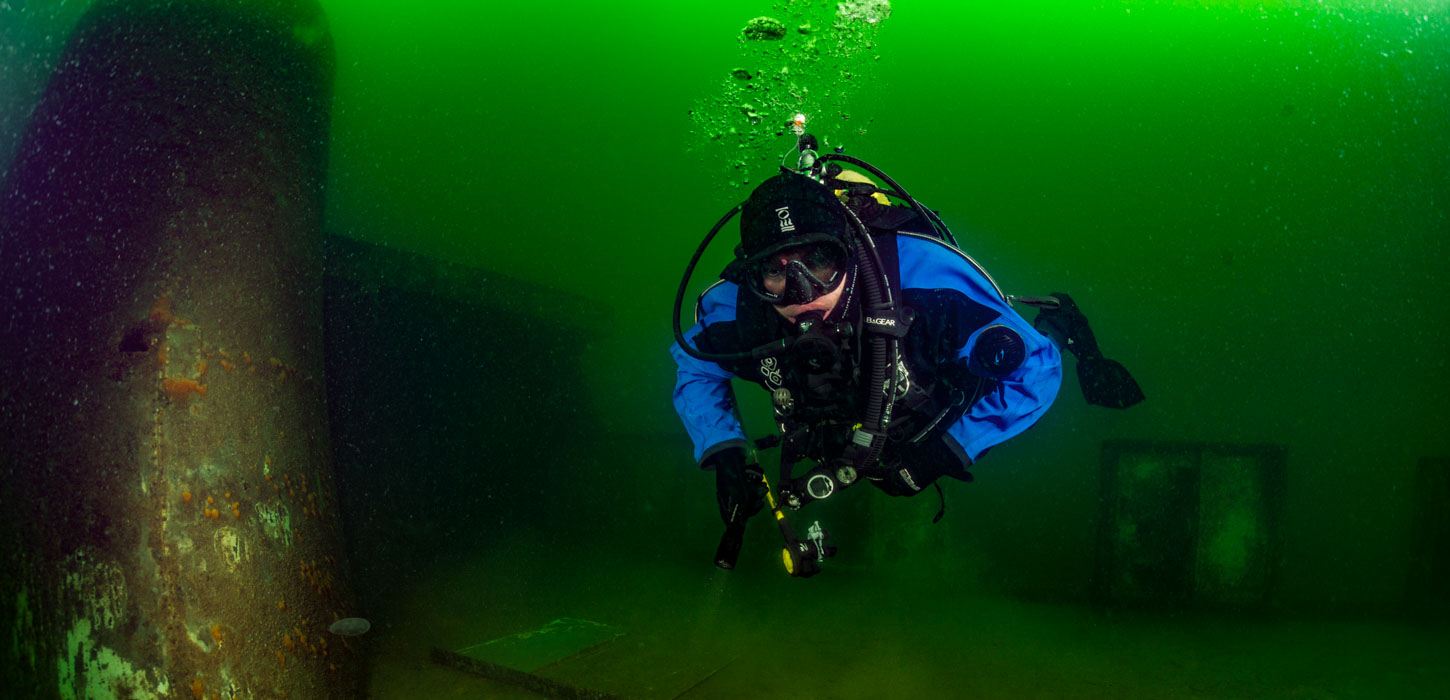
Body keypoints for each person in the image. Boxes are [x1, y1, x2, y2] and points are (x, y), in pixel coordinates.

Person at [671, 159, 1140, 572]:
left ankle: (1061, 318)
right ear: (751, 277)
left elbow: (1035, 366)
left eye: (818, 263)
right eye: (775, 273)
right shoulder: (741, 310)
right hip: (847, 421)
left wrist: (946, 452)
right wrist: (724, 450)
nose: (803, 293)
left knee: (1002, 353)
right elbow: (694, 365)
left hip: (937, 391)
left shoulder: (924, 278)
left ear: (848, 251)